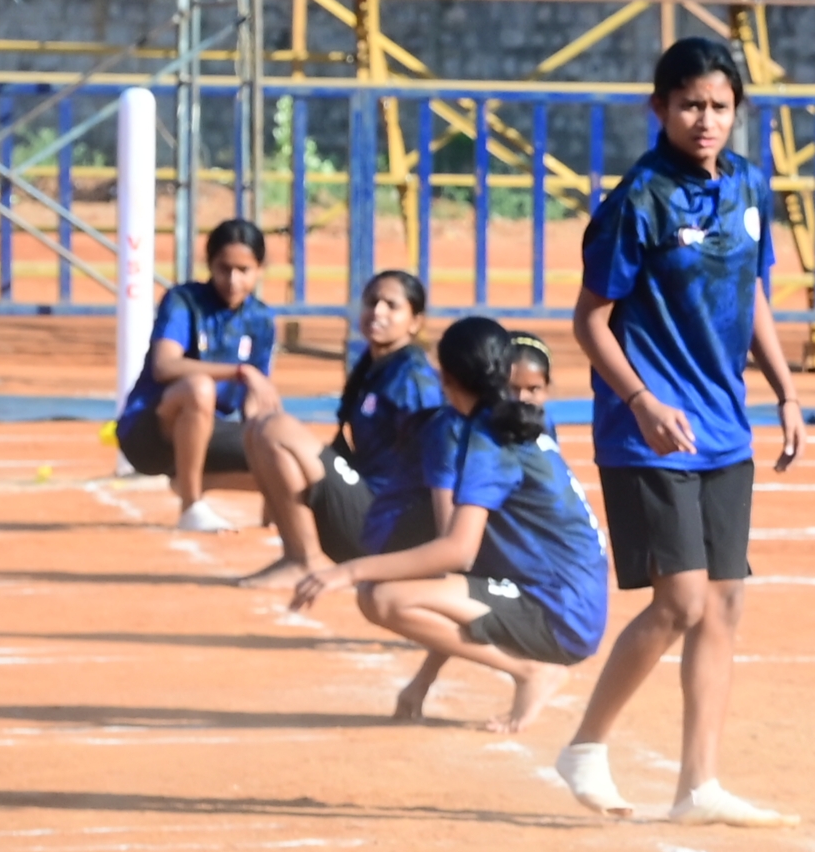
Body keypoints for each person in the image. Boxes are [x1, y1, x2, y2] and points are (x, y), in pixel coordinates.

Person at [554, 34, 806, 824]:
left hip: (725, 428)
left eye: (720, 106)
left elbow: (753, 296)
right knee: (682, 601)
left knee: (724, 603)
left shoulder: (747, 187)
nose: (706, 119)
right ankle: (586, 745)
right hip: (650, 431)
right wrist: (639, 400)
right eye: (690, 103)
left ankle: (699, 784)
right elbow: (589, 320)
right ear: (658, 107)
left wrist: (786, 392)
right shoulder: (638, 201)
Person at [290, 316, 609, 734]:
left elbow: (457, 551)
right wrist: (423, 680)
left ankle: (532, 671)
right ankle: (528, 669)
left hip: (559, 611)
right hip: (569, 598)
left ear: (447, 376)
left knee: (381, 598)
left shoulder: (478, 438)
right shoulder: (513, 422)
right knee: (392, 591)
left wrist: (348, 570)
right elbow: (468, 568)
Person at [239, 268, 440, 589]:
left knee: (276, 429)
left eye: (392, 305)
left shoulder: (413, 377)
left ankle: (304, 560)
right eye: (372, 302)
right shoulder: (373, 367)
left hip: (391, 523)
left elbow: (438, 457)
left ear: (415, 321)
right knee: (257, 429)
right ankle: (299, 553)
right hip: (368, 503)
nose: (378, 311)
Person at [114, 217, 282, 533]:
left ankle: (195, 481)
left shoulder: (261, 319)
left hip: (211, 434)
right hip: (150, 433)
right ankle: (191, 507)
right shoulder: (183, 301)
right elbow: (165, 366)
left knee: (282, 446)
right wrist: (239, 371)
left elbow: (256, 399)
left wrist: (268, 466)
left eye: (243, 270)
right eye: (224, 268)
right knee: (199, 388)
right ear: (210, 265)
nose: (232, 279)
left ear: (260, 269)